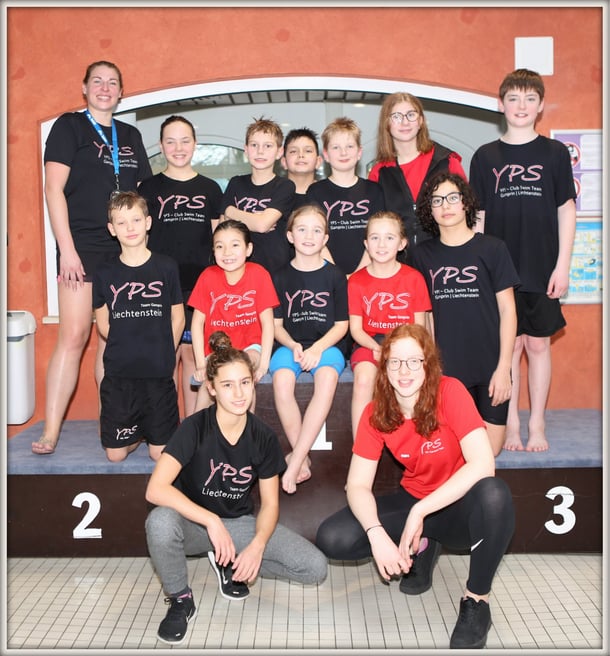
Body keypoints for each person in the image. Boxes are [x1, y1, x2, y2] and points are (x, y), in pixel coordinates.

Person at [315, 323, 515, 650]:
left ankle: (477, 600)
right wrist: (377, 535)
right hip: (414, 498)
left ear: (428, 364)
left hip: (458, 506)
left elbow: (483, 464)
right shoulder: (376, 412)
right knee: (333, 537)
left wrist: (420, 511)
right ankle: (423, 545)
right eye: (395, 362)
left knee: (495, 494)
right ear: (384, 367)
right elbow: (357, 485)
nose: (404, 370)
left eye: (413, 361)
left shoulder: (450, 392)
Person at [145, 330, 328, 646]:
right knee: (159, 521)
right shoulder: (194, 428)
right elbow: (156, 489)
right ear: (212, 389)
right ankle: (180, 599)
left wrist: (256, 546)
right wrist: (210, 521)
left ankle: (231, 562)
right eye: (228, 385)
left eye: (244, 382)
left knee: (315, 568)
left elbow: (270, 504)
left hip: (238, 524)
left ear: (254, 381)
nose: (239, 393)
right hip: (193, 524)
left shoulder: (263, 437)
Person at [32, 60, 152, 455]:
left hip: (124, 251)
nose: (104, 88)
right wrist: (66, 250)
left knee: (112, 341)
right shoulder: (68, 127)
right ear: (84, 88)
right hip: (81, 248)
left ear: (121, 92)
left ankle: (111, 426)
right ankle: (50, 431)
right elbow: (53, 190)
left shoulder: (131, 135)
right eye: (97, 81)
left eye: (112, 82)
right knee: (73, 336)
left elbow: (143, 196)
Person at [469, 69, 577, 452]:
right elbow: (478, 218)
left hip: (543, 267)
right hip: (501, 272)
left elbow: (566, 210)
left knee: (538, 345)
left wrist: (562, 265)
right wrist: (480, 270)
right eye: (513, 98)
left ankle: (538, 423)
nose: (521, 106)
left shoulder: (555, 153)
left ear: (540, 105)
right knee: (509, 347)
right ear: (501, 104)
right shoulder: (485, 157)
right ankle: (511, 423)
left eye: (530, 99)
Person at [412, 172, 519, 456]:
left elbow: (508, 310)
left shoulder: (493, 248)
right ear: (429, 210)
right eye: (437, 200)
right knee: (453, 451)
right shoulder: (421, 255)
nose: (445, 205)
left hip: (490, 368)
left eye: (452, 197)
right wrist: (429, 368)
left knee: (490, 452)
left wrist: (504, 369)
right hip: (446, 370)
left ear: (466, 204)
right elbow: (423, 317)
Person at [138, 115, 223, 417]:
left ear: (195, 144)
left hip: (197, 288)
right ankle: (162, 426)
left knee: (191, 355)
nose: (178, 148)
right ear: (161, 146)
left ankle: (190, 428)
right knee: (164, 357)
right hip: (158, 285)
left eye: (185, 141)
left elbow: (218, 240)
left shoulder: (210, 188)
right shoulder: (147, 188)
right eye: (171, 142)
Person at [92, 191, 184, 462]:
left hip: (158, 374)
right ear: (112, 229)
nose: (129, 228)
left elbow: (178, 317)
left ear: (148, 222)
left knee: (159, 455)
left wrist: (165, 350)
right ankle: (138, 433)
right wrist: (127, 345)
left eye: (135, 220)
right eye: (121, 222)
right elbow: (103, 323)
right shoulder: (104, 273)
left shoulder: (166, 267)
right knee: (116, 456)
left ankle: (150, 432)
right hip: (120, 375)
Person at [270, 204, 349, 494]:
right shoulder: (279, 276)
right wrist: (292, 345)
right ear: (290, 236)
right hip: (290, 345)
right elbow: (276, 326)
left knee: (326, 378)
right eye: (302, 229)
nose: (309, 236)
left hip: (326, 345)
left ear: (325, 238)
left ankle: (296, 461)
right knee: (281, 380)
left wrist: (317, 349)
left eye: (316, 231)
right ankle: (301, 457)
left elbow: (342, 325)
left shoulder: (335, 276)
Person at [348, 210, 431, 439]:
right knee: (364, 379)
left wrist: (397, 353)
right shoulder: (356, 281)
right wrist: (378, 348)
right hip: (369, 343)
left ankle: (416, 441)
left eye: (389, 237)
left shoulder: (414, 278)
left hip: (407, 342)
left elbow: (419, 329)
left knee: (411, 380)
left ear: (402, 244)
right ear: (366, 244)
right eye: (375, 237)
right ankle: (360, 445)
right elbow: (356, 329)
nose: (381, 244)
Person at [188, 219, 279, 412]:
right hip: (216, 350)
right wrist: (200, 364)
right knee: (211, 380)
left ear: (248, 249)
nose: (227, 252)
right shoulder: (207, 276)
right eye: (220, 246)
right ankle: (199, 429)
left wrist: (264, 364)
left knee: (243, 369)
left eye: (235, 245)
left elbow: (268, 324)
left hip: (250, 348)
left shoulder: (259, 274)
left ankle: (247, 428)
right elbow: (196, 324)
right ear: (213, 251)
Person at [368, 92, 467, 262]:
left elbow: (468, 211)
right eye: (396, 116)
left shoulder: (447, 161)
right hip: (398, 264)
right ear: (387, 123)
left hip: (446, 260)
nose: (405, 122)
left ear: (421, 121)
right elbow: (376, 226)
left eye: (411, 115)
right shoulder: (379, 173)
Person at [306, 116, 385, 276]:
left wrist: (357, 276)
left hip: (368, 273)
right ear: (326, 155)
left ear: (359, 152)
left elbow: (378, 236)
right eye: (336, 147)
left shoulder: (374, 191)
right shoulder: (315, 192)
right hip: (328, 275)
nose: (343, 152)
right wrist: (338, 276)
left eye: (349, 146)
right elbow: (314, 237)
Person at [219, 116, 295, 275]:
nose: (260, 151)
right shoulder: (236, 183)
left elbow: (262, 225)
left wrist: (231, 212)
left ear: (279, 152)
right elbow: (223, 228)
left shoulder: (285, 186)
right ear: (246, 149)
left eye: (268, 146)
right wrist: (256, 219)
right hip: (239, 269)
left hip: (275, 271)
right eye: (254, 145)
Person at [280, 127, 323, 208]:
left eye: (308, 151)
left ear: (318, 161)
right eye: (293, 151)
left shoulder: (328, 195)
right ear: (284, 162)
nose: (301, 155)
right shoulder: (274, 194)